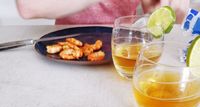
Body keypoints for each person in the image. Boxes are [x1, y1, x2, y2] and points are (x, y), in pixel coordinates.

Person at [16, 0, 190, 25]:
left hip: (122, 55)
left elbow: (154, 10)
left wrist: (171, 9)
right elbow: (29, 5)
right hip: (67, 53)